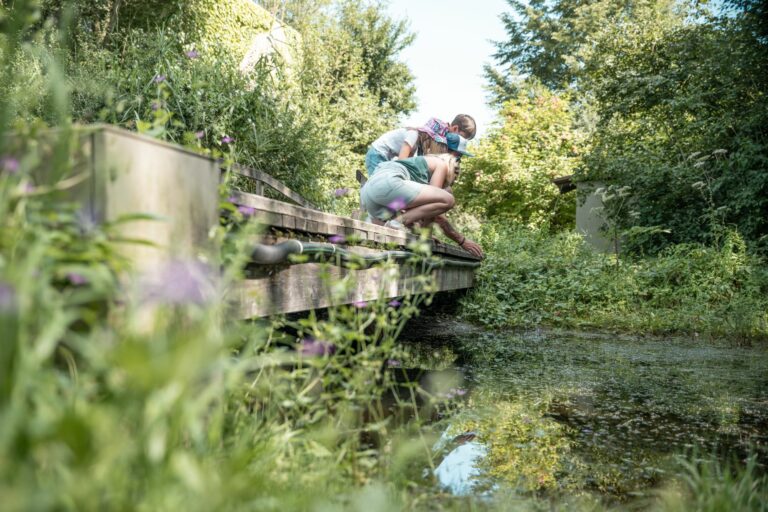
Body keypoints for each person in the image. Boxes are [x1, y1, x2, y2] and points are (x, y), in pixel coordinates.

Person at [360, 132, 484, 259]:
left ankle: (394, 224)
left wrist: (419, 232)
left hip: (369, 196)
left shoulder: (419, 167)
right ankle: (395, 224)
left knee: (402, 218)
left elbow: (413, 213)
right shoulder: (441, 164)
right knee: (448, 199)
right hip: (386, 185)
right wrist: (427, 238)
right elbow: (433, 211)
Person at [364, 114, 477, 176]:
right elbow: (400, 163)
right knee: (378, 179)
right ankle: (369, 188)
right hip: (379, 152)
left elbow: (407, 161)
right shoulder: (414, 135)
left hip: (390, 155)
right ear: (455, 128)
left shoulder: (420, 142)